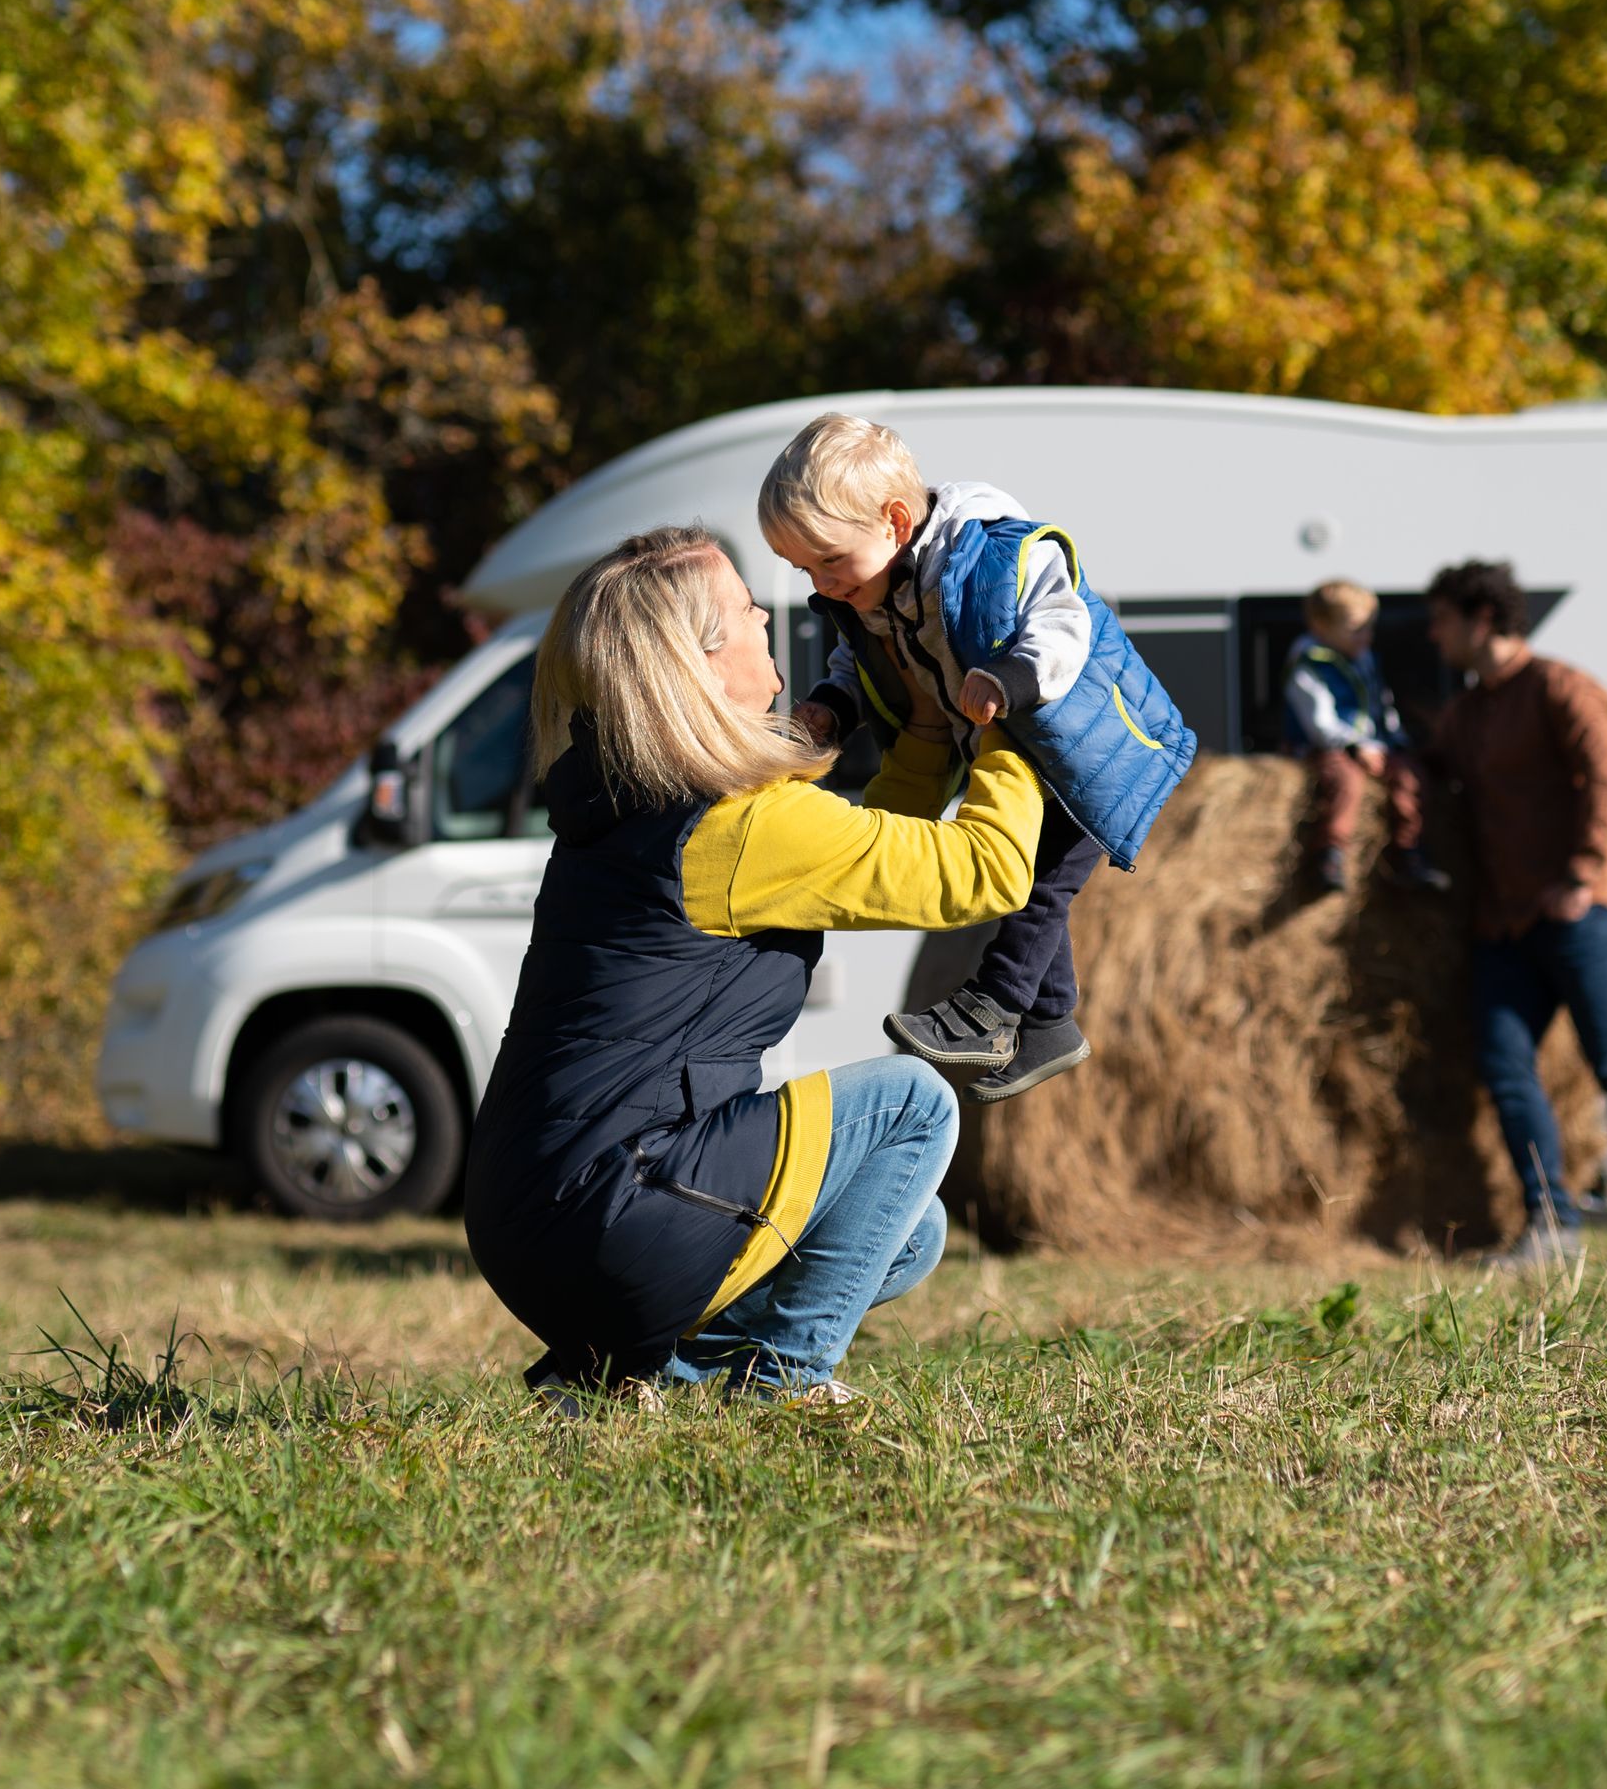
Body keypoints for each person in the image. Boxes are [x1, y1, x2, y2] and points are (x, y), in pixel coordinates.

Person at [463, 525, 1043, 1405]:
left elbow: (864, 849)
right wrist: (1011, 722)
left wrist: (924, 732)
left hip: (529, 1215)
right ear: (697, 663)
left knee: (906, 1228)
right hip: (616, 1204)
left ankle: (617, 1373)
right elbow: (985, 870)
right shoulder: (739, 828)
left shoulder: (634, 808)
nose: (768, 616)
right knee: (912, 1106)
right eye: (744, 611)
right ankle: (785, 1381)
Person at [757, 413, 1196, 1104]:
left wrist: (1010, 678)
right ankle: (1050, 1023)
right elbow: (865, 661)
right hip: (1029, 758)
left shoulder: (994, 553)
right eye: (805, 568)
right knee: (1027, 883)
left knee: (1035, 886)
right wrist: (831, 706)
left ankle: (994, 1008)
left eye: (829, 561)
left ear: (896, 522)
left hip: (1095, 748)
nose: (822, 582)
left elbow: (1065, 620)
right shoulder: (878, 590)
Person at [1419, 558, 1607, 1269]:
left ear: (1481, 619)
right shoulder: (1468, 712)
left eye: (1441, 620)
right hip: (1504, 924)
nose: (1434, 637)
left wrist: (1581, 872)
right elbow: (1434, 770)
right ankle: (1549, 1225)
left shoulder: (1560, 687)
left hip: (1579, 911)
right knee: (1505, 1066)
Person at [1283, 579, 1450, 895]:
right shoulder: (1308, 663)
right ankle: (1330, 854)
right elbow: (1318, 719)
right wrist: (1354, 746)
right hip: (1322, 745)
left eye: (1369, 627)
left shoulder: (1364, 657)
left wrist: (1393, 738)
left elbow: (1379, 702)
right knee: (1347, 783)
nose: (1366, 636)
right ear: (1321, 626)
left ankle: (1409, 850)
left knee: (1409, 776)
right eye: (1355, 629)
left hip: (1370, 744)